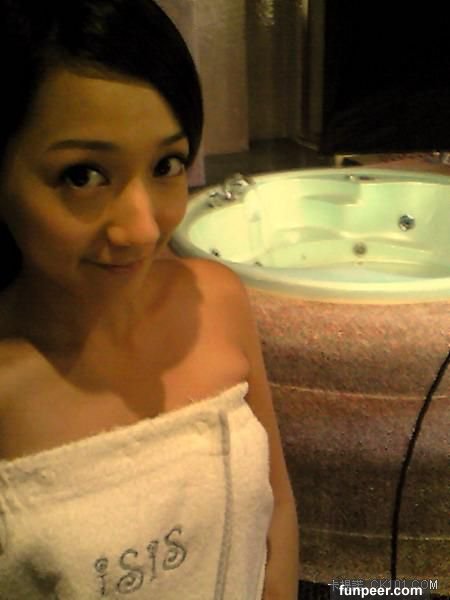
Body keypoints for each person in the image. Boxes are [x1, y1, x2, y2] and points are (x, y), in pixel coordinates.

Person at [0, 0, 299, 598]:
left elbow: (278, 510)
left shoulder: (216, 300)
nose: (141, 229)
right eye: (83, 175)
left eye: (166, 164)